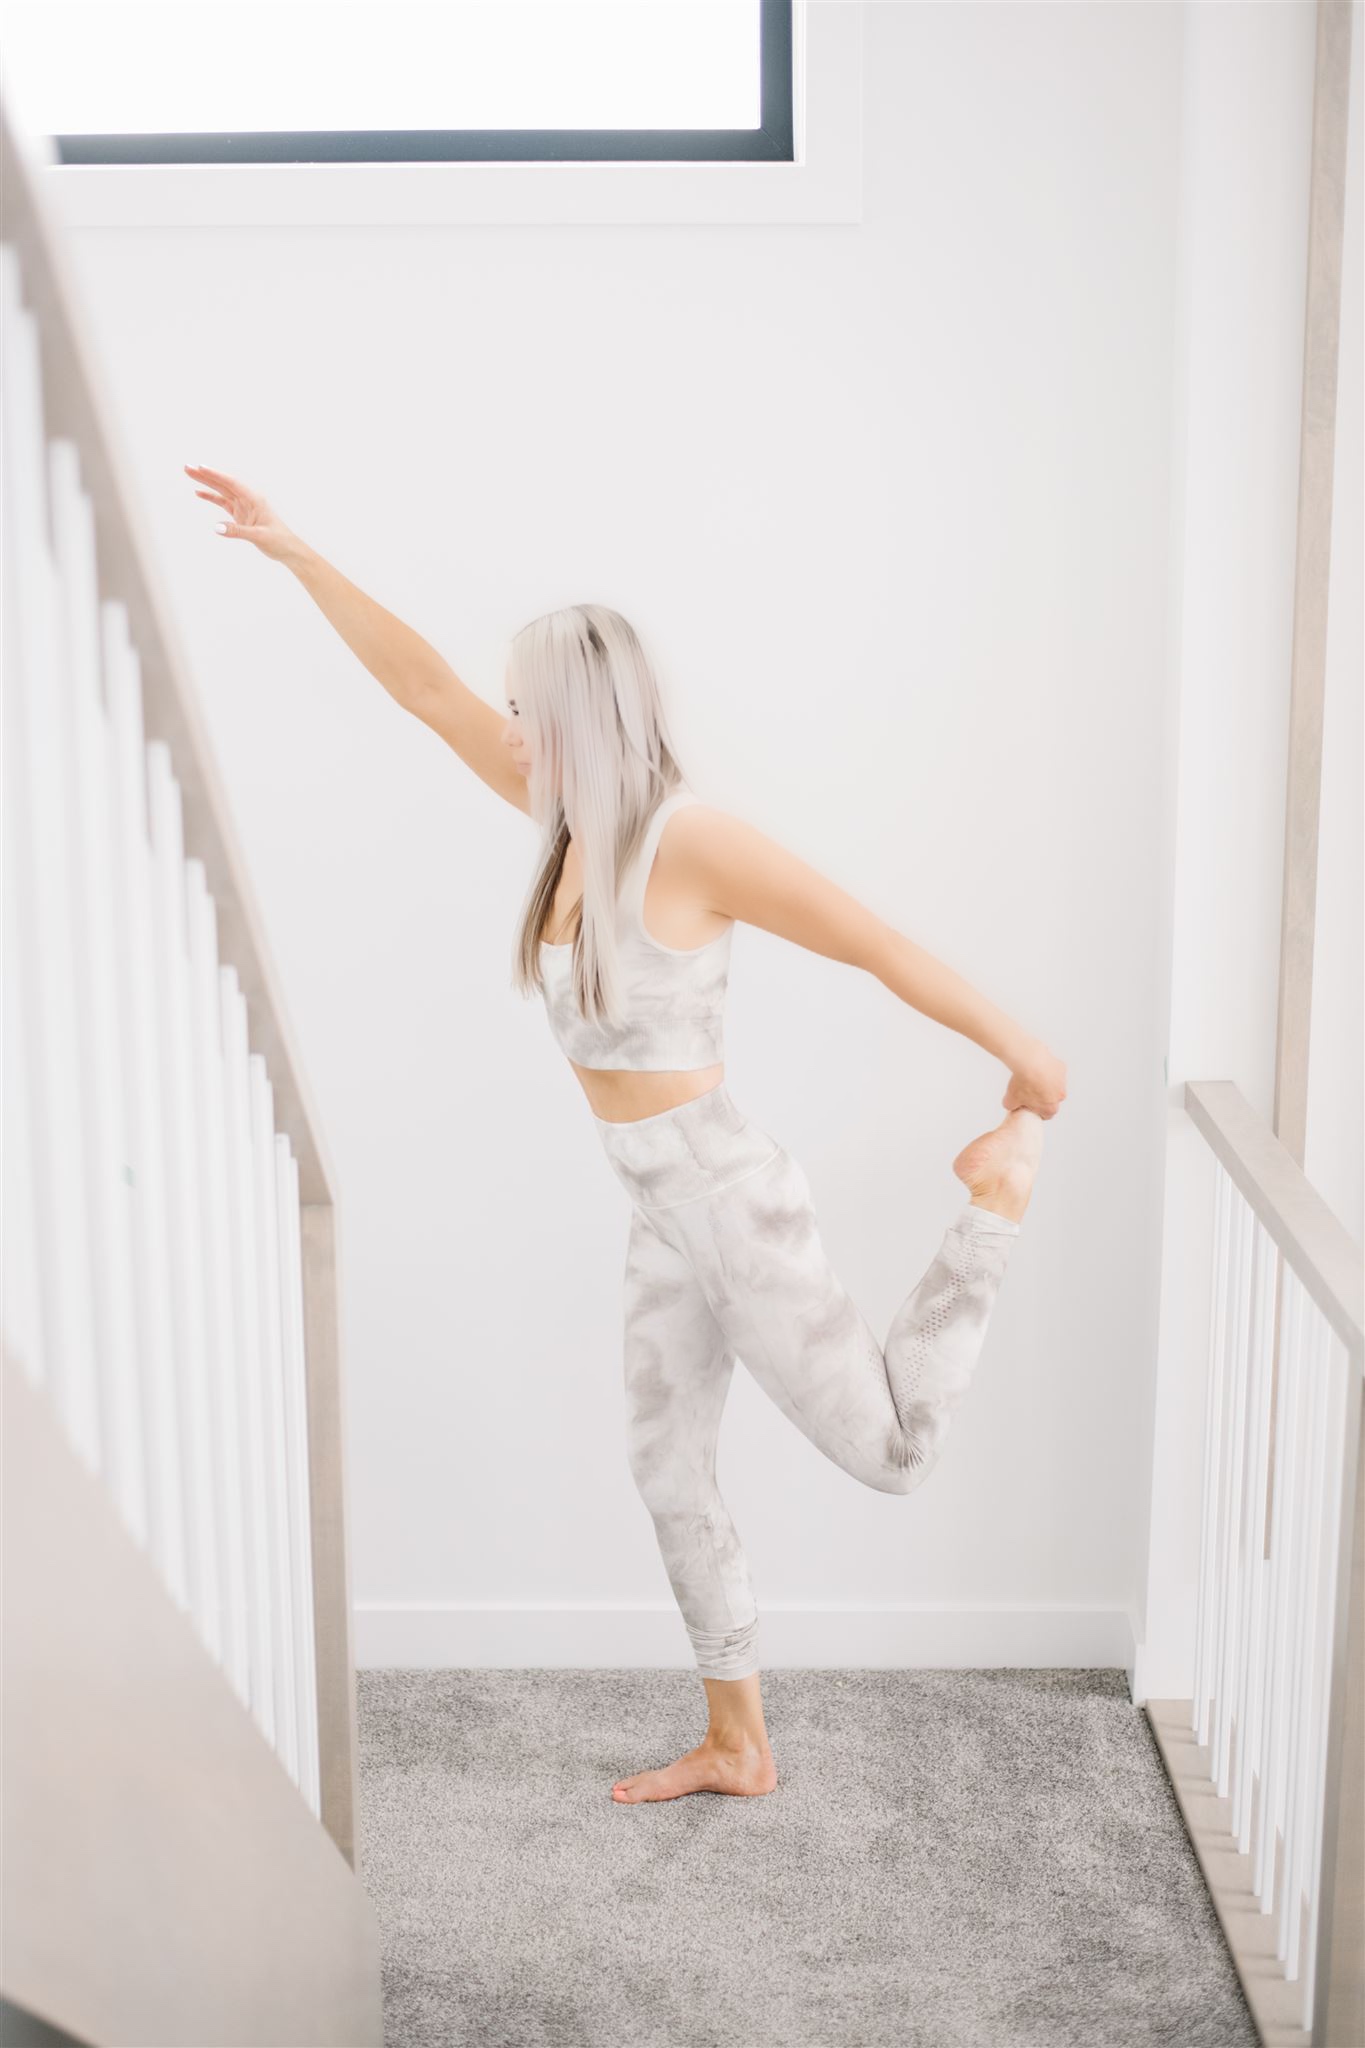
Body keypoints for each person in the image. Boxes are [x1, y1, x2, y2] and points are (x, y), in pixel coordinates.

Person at [186, 465, 1068, 1807]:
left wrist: (1021, 1058)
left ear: (581, 721)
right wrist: (297, 554)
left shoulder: (689, 843)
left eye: (526, 711)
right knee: (664, 1467)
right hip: (658, 1204)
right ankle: (736, 1741)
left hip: (728, 1198)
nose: (505, 728)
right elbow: (420, 687)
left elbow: (876, 943)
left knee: (895, 1456)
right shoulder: (561, 826)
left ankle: (994, 1199)